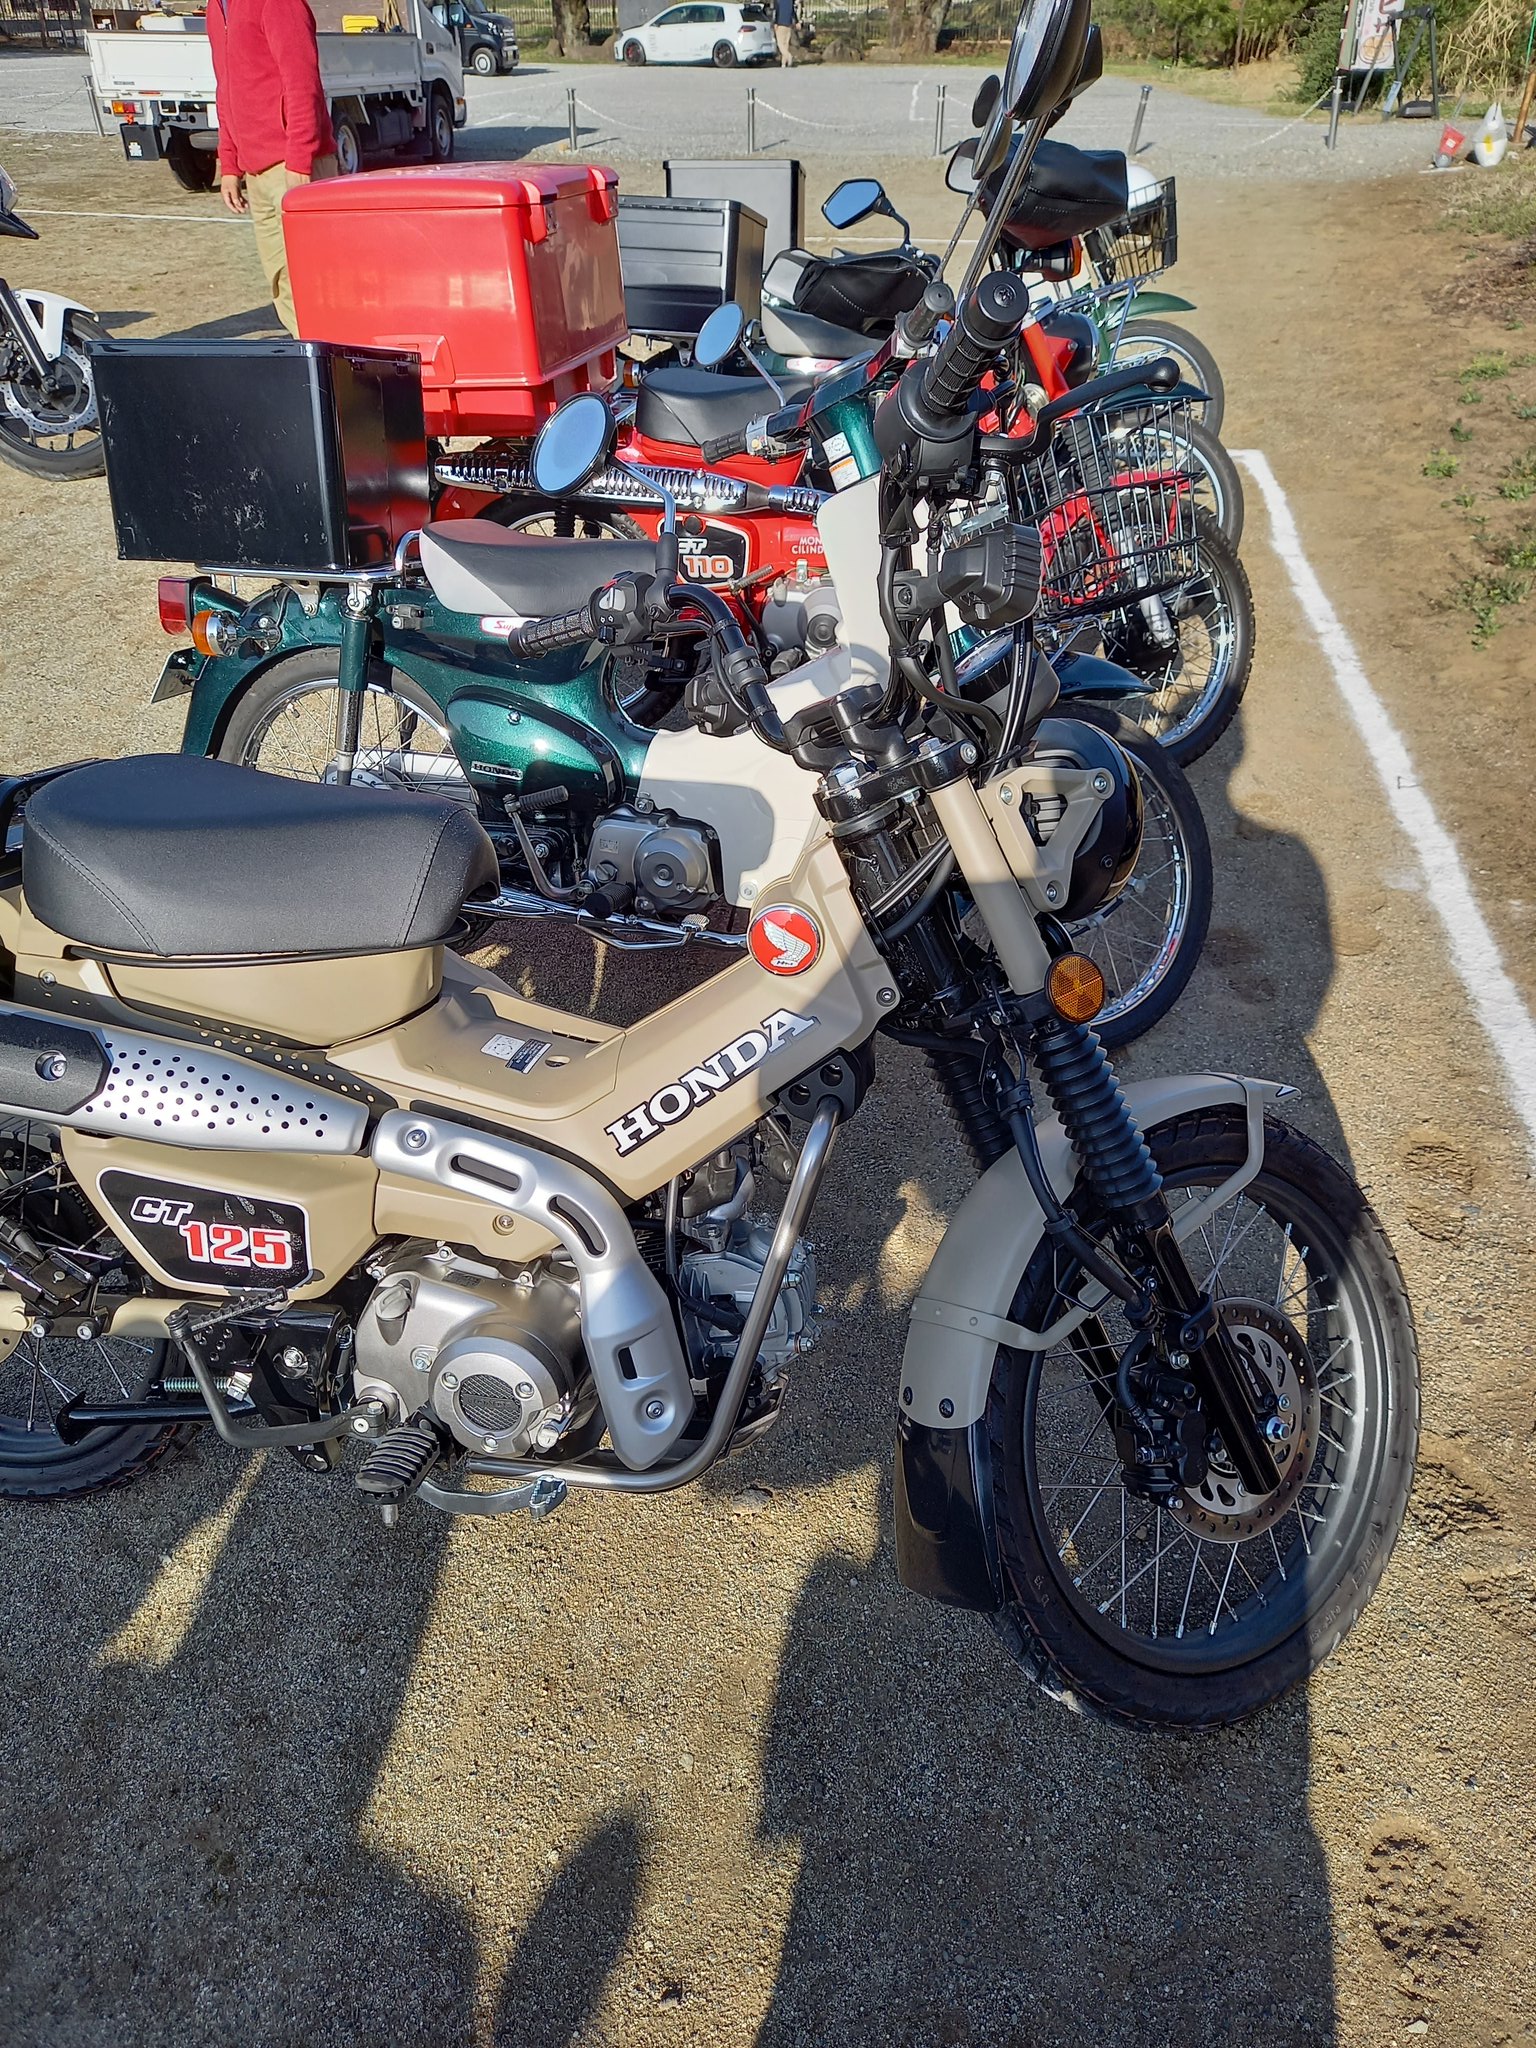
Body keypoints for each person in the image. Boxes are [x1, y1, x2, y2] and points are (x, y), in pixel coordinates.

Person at [207, 0, 338, 336]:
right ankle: (307, 353)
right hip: (257, 174)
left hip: (293, 167)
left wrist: (300, 159)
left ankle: (335, 359)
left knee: (317, 280)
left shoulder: (277, 3)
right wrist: (230, 165)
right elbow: (225, 90)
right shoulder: (215, 9)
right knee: (281, 281)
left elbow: (302, 82)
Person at [773, 0, 795, 67]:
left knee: (780, 43)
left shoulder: (778, 1)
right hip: (788, 23)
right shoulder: (790, 1)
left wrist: (775, 22)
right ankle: (784, 63)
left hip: (780, 23)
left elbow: (777, 11)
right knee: (786, 44)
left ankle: (788, 56)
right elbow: (793, 12)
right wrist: (796, 22)